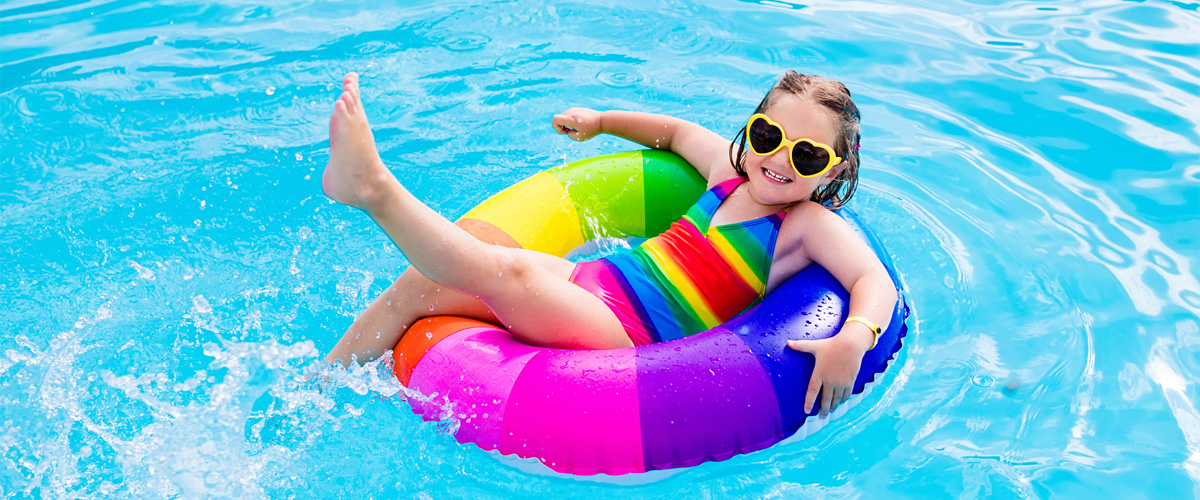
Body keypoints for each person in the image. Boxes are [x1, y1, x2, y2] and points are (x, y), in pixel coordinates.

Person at [321, 71, 897, 417]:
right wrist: (600, 121)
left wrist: (856, 334)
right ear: (751, 130)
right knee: (422, 284)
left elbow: (872, 281)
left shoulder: (805, 226)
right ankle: (324, 379)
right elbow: (673, 131)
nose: (778, 161)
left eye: (806, 155)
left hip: (626, 334)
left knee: (504, 276)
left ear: (833, 168)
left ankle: (374, 190)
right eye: (769, 136)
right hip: (590, 282)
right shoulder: (728, 171)